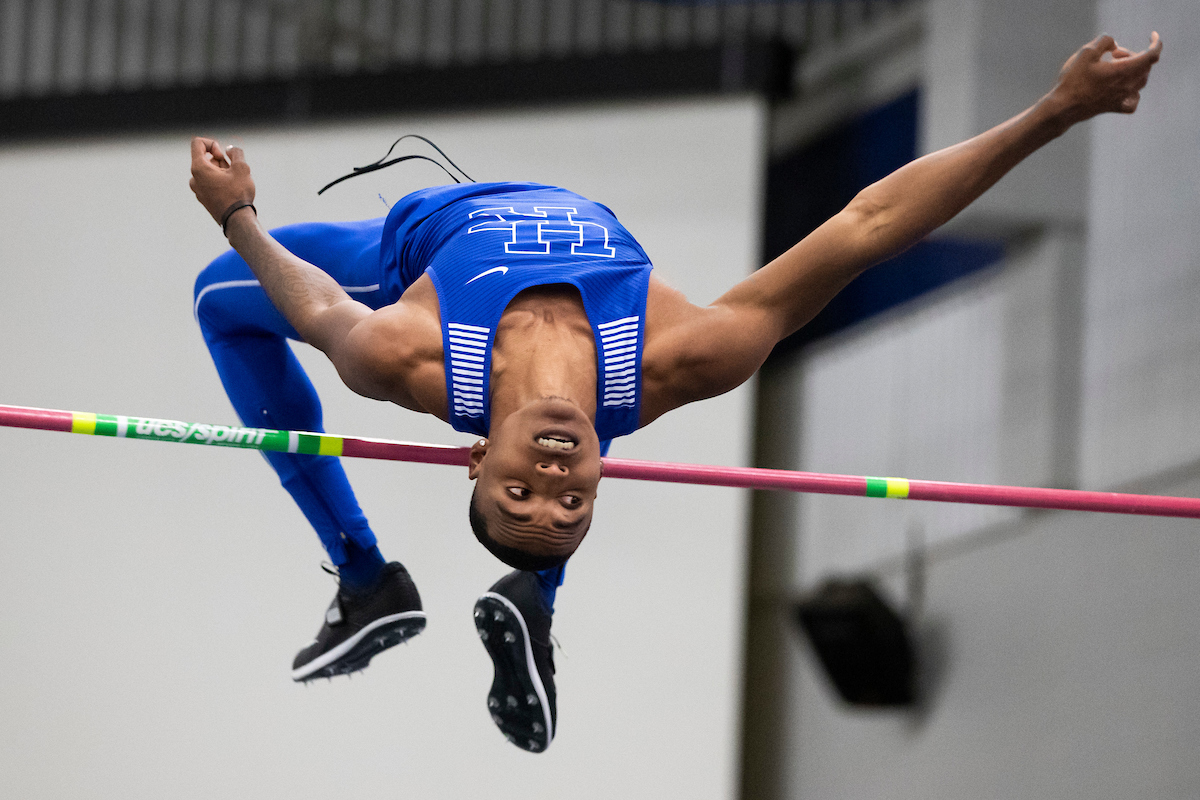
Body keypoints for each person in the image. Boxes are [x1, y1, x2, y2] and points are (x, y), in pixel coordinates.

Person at [189, 33, 1160, 752]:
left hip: (412, 243)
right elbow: (869, 225)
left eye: (520, 489)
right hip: (507, 242)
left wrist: (237, 212)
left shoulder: (416, 355)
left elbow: (311, 301)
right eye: (571, 501)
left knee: (219, 297)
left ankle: (364, 576)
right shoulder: (681, 357)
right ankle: (519, 591)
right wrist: (1053, 113)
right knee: (532, 539)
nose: (555, 476)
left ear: (476, 454)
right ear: (603, 474)